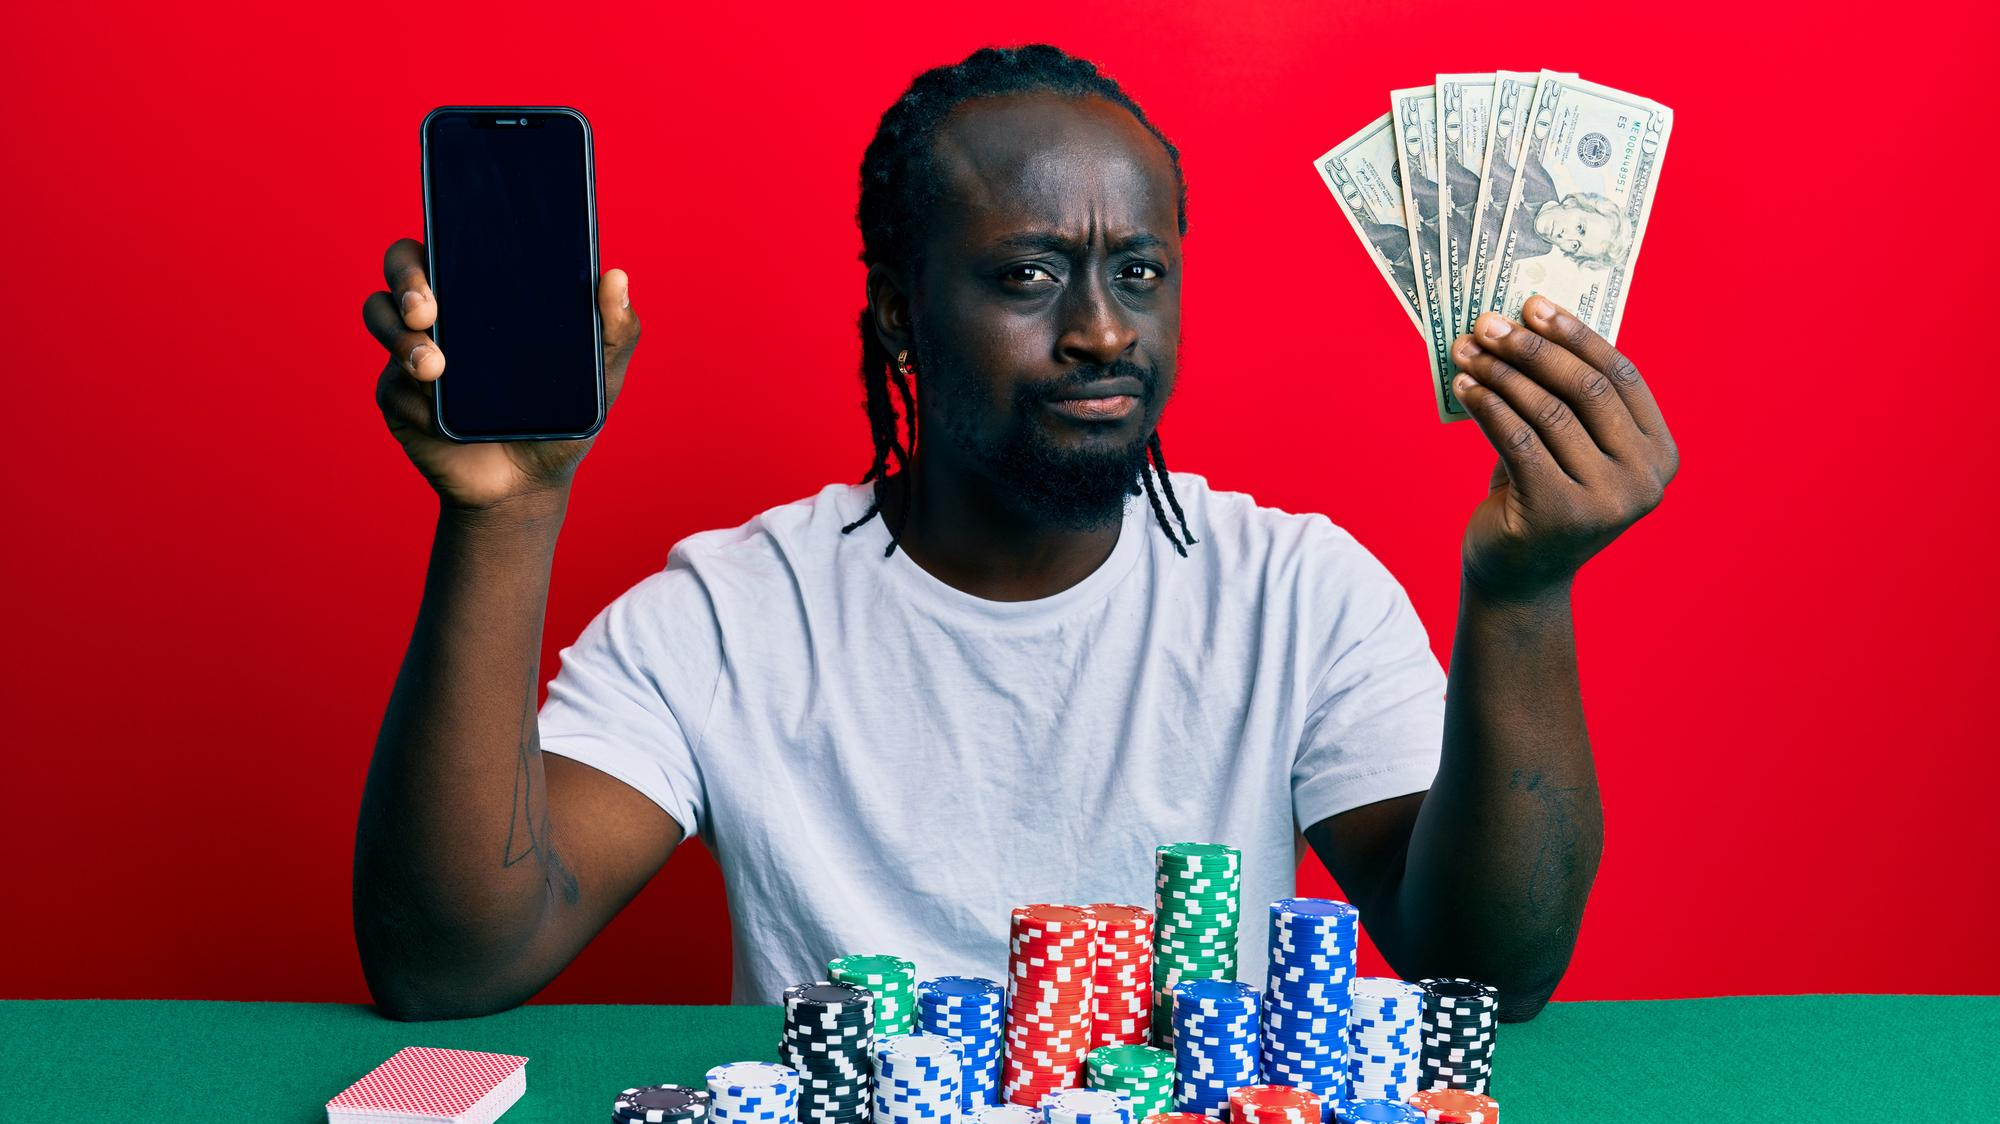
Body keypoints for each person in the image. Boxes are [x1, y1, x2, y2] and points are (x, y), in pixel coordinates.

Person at [353, 45, 1680, 1025]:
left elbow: (1489, 969)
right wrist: (508, 520)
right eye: (1028, 275)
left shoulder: (1298, 594)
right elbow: (447, 956)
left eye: (1139, 273)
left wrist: (1521, 592)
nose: (1104, 330)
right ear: (898, 316)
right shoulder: (732, 614)